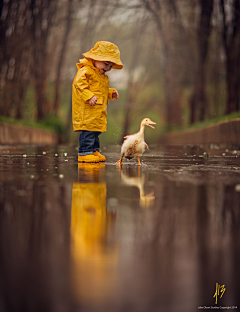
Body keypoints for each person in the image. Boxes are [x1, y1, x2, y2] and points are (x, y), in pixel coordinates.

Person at [72, 41, 123, 163]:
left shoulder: (102, 75)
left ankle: (94, 151)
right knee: (88, 131)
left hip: (97, 111)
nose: (108, 68)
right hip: (87, 109)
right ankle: (84, 152)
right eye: (106, 64)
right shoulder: (86, 71)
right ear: (95, 58)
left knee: (95, 132)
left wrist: (110, 93)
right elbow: (78, 84)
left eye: (110, 66)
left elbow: (101, 90)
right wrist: (89, 96)